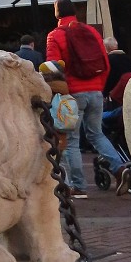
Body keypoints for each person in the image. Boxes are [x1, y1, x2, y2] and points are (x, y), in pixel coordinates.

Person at [46, 0, 131, 196]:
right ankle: (119, 168)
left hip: (73, 94)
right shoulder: (91, 32)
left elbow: (53, 68)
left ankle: (78, 186)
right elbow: (106, 62)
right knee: (96, 134)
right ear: (75, 12)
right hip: (96, 92)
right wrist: (99, 87)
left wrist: (58, 93)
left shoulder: (55, 35)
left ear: (57, 13)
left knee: (71, 140)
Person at [38, 60, 85, 197]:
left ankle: (66, 186)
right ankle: (72, 185)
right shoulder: (63, 87)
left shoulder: (48, 88)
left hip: (50, 128)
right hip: (62, 129)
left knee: (55, 159)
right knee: (63, 157)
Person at [103, 36, 131, 101]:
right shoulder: (128, 59)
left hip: (115, 95)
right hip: (129, 91)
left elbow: (108, 79)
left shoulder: (108, 61)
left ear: (106, 48)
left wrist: (105, 93)